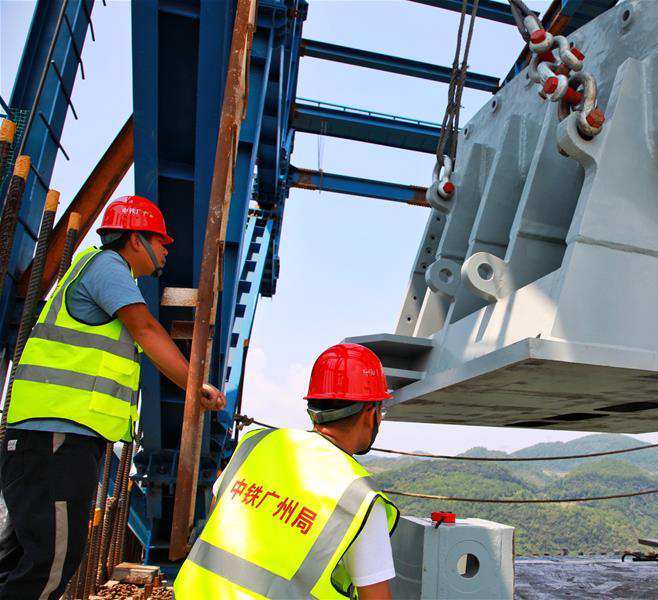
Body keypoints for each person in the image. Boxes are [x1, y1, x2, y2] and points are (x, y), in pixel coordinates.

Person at [0, 195, 226, 600]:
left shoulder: (100, 271)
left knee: (24, 558)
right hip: (58, 437)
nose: (166, 249)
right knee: (49, 565)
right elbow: (145, 329)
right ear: (136, 240)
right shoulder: (108, 267)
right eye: (161, 241)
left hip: (51, 437)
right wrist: (196, 386)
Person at [174, 343, 398, 599]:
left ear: (313, 409)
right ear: (371, 414)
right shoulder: (360, 497)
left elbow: (219, 517)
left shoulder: (254, 445)